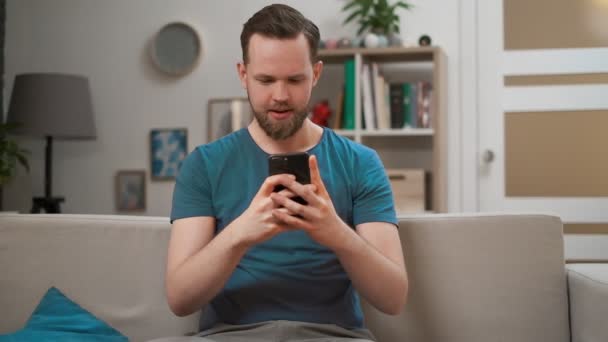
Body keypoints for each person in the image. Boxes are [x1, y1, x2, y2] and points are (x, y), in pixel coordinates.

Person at [162, 4, 408, 342]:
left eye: (295, 80)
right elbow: (180, 299)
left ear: (316, 74)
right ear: (243, 74)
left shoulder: (360, 162)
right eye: (265, 80)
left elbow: (393, 299)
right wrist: (241, 233)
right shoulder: (204, 165)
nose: (280, 96)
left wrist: (334, 231)